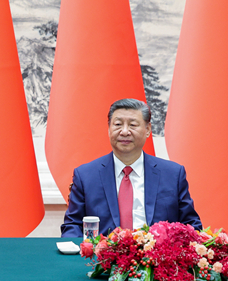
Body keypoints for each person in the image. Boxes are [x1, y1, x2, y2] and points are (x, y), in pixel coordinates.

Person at [61, 99, 201, 237]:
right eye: (118, 124)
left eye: (133, 125)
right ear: (109, 129)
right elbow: (72, 226)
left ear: (148, 129)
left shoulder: (172, 174)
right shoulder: (85, 176)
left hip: (156, 251)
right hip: (102, 251)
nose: (124, 131)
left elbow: (191, 225)